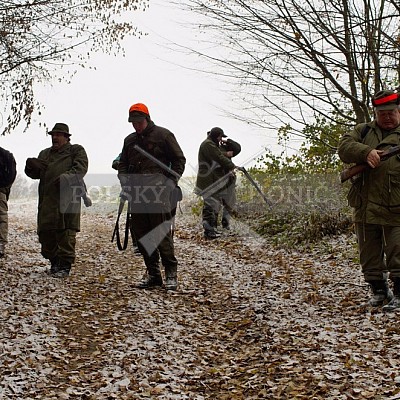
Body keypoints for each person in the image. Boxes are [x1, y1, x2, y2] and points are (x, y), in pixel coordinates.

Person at [338, 89, 400, 311]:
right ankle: (379, 291)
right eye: (382, 112)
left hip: (397, 205)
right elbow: (344, 147)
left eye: (391, 112)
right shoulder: (363, 131)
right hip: (365, 205)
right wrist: (365, 152)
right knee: (369, 257)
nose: (387, 116)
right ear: (375, 112)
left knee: (398, 252)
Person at [118, 103, 186, 290]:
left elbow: (179, 160)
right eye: (133, 122)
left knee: (161, 234)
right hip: (137, 194)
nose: (136, 125)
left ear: (147, 119)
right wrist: (125, 182)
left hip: (159, 193)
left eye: (139, 121)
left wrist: (171, 182)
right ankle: (154, 275)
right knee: (142, 235)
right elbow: (122, 163)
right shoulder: (129, 140)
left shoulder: (164, 135)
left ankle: (171, 274)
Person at [25, 123, 89, 278]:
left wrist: (66, 178)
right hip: (48, 199)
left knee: (66, 232)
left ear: (67, 137)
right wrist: (30, 167)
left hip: (69, 198)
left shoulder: (76, 150)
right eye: (53, 135)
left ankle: (65, 265)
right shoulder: (45, 153)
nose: (55, 137)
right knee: (46, 233)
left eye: (59, 134)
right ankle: (54, 262)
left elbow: (81, 168)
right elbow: (35, 174)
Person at [195, 127, 237, 239]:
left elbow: (236, 149)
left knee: (212, 205)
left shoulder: (210, 144)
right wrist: (232, 166)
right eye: (220, 137)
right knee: (209, 205)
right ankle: (208, 232)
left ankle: (211, 230)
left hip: (211, 180)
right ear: (217, 136)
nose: (220, 139)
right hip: (208, 181)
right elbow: (218, 157)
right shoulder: (208, 145)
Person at [219, 135, 241, 229]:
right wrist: (225, 154)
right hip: (217, 178)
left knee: (230, 201)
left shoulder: (224, 147)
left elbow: (237, 148)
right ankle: (212, 226)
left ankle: (225, 222)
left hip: (228, 178)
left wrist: (227, 141)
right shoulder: (210, 148)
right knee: (216, 202)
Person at [0, 147, 17, 258]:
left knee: (1, 217)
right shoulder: (6, 154)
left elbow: (11, 175)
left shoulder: (5, 155)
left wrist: (3, 188)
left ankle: (1, 245)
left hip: (0, 190)